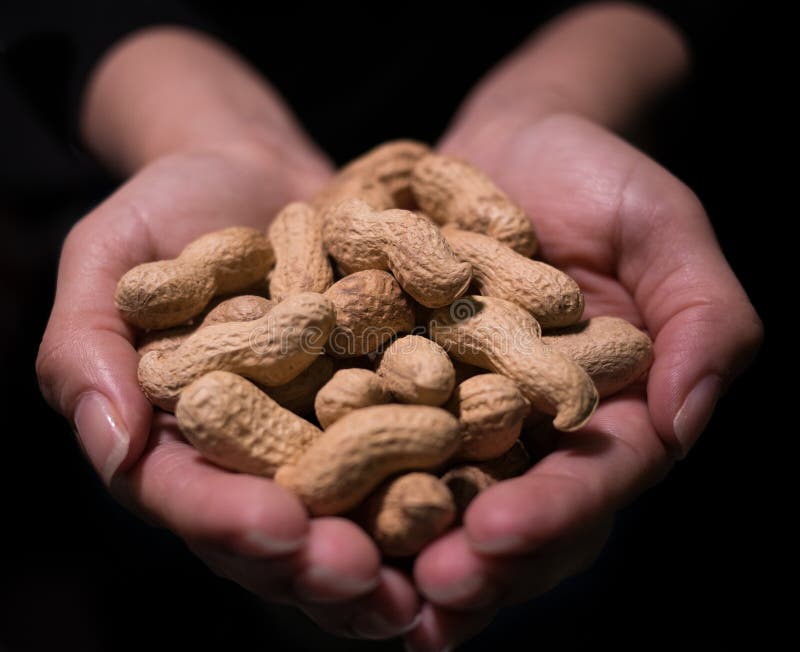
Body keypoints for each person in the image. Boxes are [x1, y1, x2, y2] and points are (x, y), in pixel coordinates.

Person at [31, 4, 761, 650]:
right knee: (190, 580)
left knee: (538, 574)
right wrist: (197, 125)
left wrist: (561, 92)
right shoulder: (306, 271)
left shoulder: (447, 289)